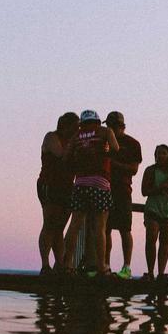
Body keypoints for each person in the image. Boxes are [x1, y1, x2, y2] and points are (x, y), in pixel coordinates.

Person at [61, 110, 119, 276]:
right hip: (100, 182)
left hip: (80, 182)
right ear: (98, 121)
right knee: (100, 227)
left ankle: (67, 265)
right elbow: (116, 149)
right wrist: (103, 154)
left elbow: (66, 157)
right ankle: (101, 267)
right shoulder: (105, 131)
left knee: (74, 224)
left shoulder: (77, 135)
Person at [37, 112, 80, 275]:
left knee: (60, 227)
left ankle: (60, 265)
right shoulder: (51, 137)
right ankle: (45, 265)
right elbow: (61, 155)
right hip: (50, 184)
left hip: (67, 186)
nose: (78, 130)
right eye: (76, 127)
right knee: (49, 223)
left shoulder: (73, 142)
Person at [102, 111, 142, 279]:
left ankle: (126, 267)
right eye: (108, 126)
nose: (109, 129)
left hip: (123, 190)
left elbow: (133, 169)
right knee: (105, 229)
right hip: (105, 189)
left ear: (121, 127)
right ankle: (105, 265)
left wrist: (113, 164)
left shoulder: (133, 144)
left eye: (112, 126)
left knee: (125, 229)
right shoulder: (103, 140)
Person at [141, 144, 168, 280]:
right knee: (151, 239)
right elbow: (144, 191)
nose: (160, 156)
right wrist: (160, 188)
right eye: (158, 153)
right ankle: (150, 272)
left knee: (165, 241)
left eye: (164, 153)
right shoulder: (150, 170)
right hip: (153, 208)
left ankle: (161, 273)